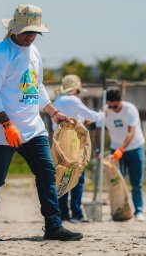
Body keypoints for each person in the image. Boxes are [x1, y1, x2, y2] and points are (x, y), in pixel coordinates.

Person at [0, 4, 83, 242]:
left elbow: (37, 85)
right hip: (5, 130)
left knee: (46, 172)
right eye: (26, 32)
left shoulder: (34, 53)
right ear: (13, 29)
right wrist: (6, 124)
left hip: (33, 128)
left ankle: (53, 226)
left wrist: (53, 112)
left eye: (34, 32)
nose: (31, 36)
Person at [52, 74, 105, 223]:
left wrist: (82, 122)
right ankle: (76, 212)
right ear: (76, 90)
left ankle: (63, 213)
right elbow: (92, 115)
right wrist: (102, 114)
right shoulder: (72, 100)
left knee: (62, 177)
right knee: (77, 177)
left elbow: (70, 120)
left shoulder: (57, 101)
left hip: (60, 143)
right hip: (73, 145)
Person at [97, 89, 146, 221]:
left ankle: (139, 211)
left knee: (136, 183)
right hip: (115, 148)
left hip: (134, 148)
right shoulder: (105, 111)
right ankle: (122, 210)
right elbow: (98, 129)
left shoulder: (130, 109)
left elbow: (131, 132)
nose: (113, 108)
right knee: (117, 181)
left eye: (115, 106)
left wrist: (122, 149)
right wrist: (98, 150)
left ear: (121, 101)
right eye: (110, 106)